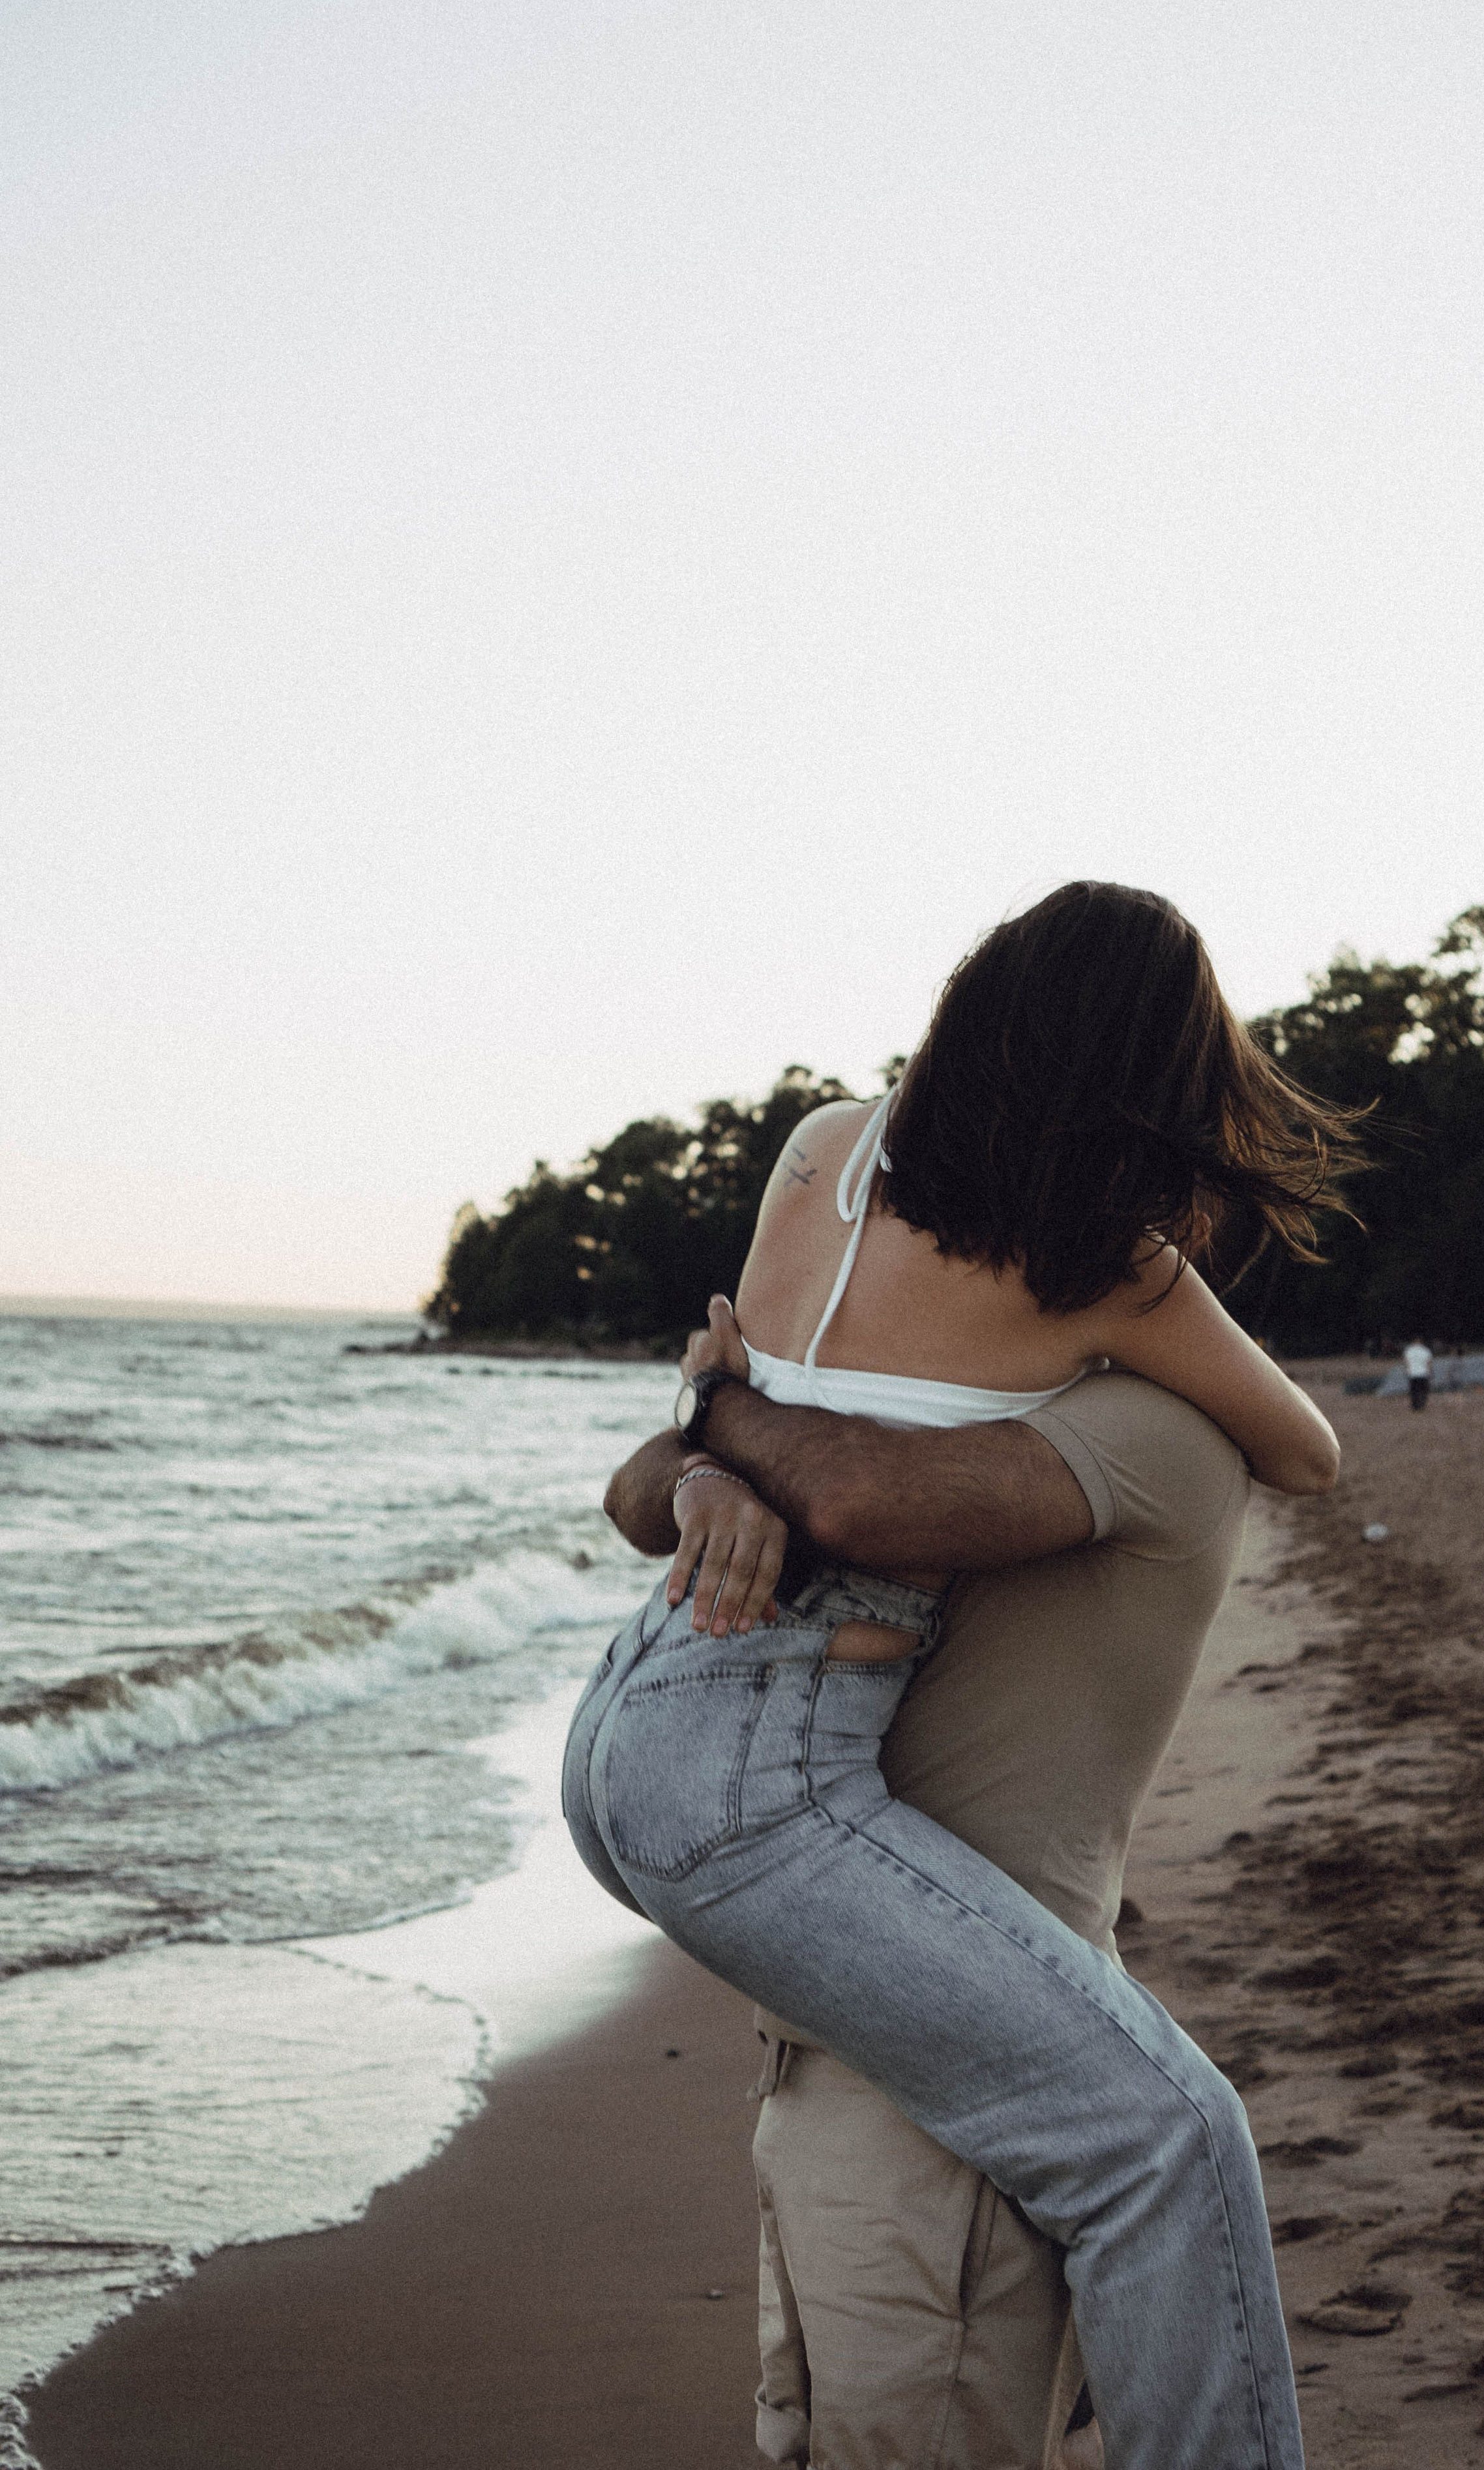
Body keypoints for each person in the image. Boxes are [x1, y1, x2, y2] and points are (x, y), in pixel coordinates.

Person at [563, 882, 1357, 2470]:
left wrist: (712, 1425)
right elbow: (1306, 1449)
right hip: (759, 1772)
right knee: (1176, 2137)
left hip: (639, 1708)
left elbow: (712, 1420)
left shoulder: (819, 1149)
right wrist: (1122, 1330)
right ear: (1146, 1080)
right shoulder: (1105, 1278)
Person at [605, 1296, 1252, 2467]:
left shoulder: (1145, 1433)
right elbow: (632, 1491)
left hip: (954, 2116)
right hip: (832, 2055)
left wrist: (718, 1404)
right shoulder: (943, 1413)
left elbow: (853, 1497)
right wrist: (705, 1475)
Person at [1402, 1335, 1434, 1411]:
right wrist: (1430, 1372)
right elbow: (1429, 1362)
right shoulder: (1426, 1350)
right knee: (1423, 1390)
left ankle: (1415, 1406)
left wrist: (1407, 1370)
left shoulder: (1409, 1350)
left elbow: (1406, 1362)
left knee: (1414, 1391)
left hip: (1413, 1374)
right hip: (1423, 1374)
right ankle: (1422, 1404)